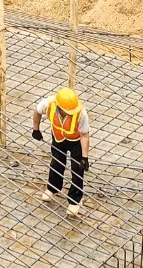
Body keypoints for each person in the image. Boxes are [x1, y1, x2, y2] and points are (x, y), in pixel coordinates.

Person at [31, 87, 90, 216]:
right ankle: (53, 188)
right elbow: (37, 111)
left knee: (77, 169)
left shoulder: (81, 113)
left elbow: (85, 135)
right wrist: (36, 129)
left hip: (76, 142)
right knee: (57, 162)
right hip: (58, 138)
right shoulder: (49, 104)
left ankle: (75, 201)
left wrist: (84, 157)